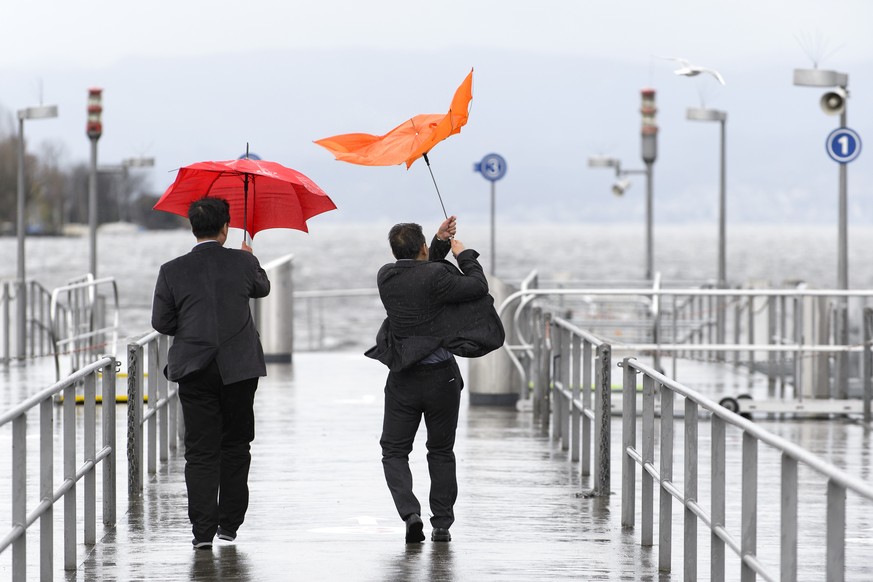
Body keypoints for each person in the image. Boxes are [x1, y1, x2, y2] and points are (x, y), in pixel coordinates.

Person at [367, 216, 502, 544]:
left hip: (403, 380)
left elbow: (424, 276)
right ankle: (441, 523)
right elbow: (477, 287)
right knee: (441, 450)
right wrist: (463, 254)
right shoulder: (437, 275)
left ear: (393, 250)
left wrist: (440, 243)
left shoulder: (386, 276)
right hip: (441, 378)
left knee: (394, 450)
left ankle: (410, 512)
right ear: (422, 247)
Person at [151, 197, 271, 550]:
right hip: (240, 368)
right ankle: (229, 524)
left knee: (200, 451)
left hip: (194, 368)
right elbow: (262, 288)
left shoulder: (171, 270)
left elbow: (161, 322)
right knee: (236, 445)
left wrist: (189, 327)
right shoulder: (242, 262)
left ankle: (202, 532)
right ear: (226, 228)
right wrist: (250, 258)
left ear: (193, 228)